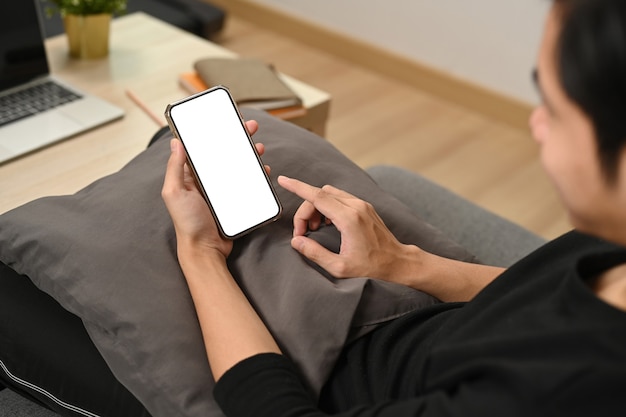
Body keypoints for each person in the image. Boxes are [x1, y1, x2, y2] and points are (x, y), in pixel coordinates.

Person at [161, 0, 626, 415]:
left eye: (554, 106)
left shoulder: (554, 392)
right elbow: (547, 294)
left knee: (144, 207)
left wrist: (200, 253)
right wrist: (401, 261)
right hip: (422, 320)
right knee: (255, 146)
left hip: (325, 372)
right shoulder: (613, 236)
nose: (535, 123)